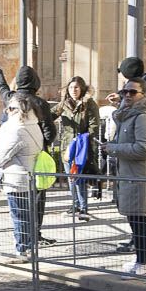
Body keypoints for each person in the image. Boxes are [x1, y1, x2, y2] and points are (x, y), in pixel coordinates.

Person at [105, 70, 146, 276]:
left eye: (132, 92)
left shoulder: (144, 117)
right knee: (135, 220)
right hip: (132, 176)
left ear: (144, 95)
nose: (127, 96)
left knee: (140, 221)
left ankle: (142, 263)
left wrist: (113, 149)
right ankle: (140, 260)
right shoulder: (131, 115)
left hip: (141, 177)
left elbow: (143, 149)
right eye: (124, 92)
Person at [0, 93, 44, 262]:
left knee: (19, 216)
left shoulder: (17, 130)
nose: (8, 111)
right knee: (28, 216)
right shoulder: (35, 125)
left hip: (16, 179)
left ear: (21, 111)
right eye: (8, 108)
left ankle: (22, 251)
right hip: (30, 177)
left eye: (11, 108)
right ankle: (29, 249)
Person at [52, 76, 100, 220]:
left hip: (81, 147)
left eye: (77, 87)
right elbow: (50, 115)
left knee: (79, 179)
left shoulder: (89, 104)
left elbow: (94, 126)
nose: (74, 90)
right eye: (71, 87)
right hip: (67, 147)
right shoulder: (64, 104)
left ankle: (83, 208)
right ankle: (75, 205)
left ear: (82, 89)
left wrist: (83, 139)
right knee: (71, 178)